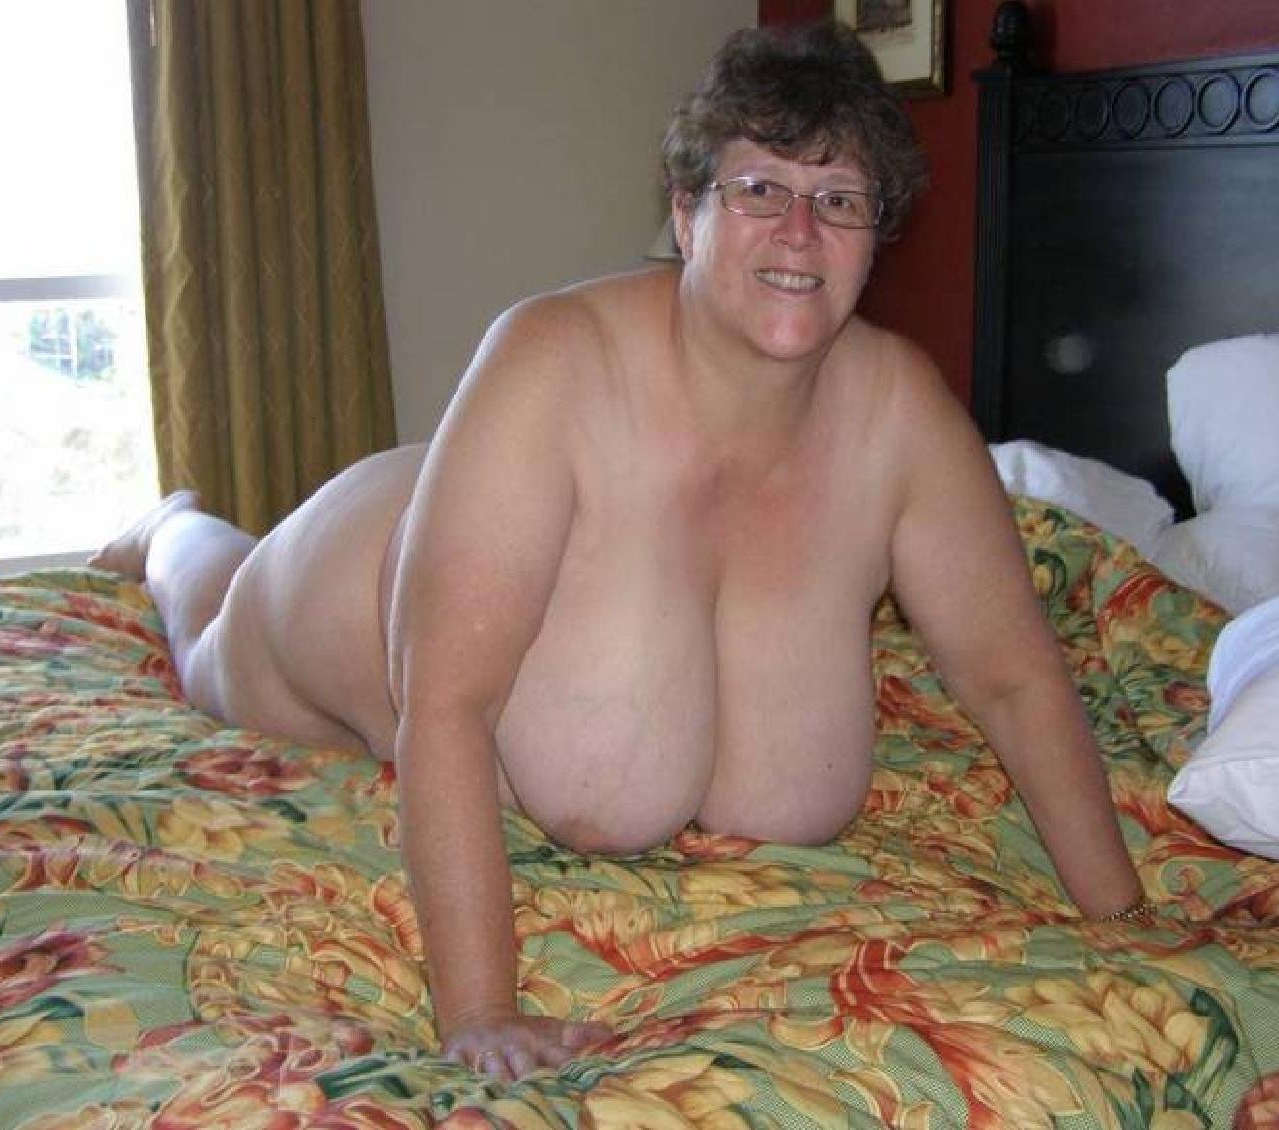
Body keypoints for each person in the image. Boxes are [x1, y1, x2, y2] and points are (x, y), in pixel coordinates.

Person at [93, 21, 1149, 1083]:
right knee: (206, 621)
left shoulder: (900, 416)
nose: (798, 231)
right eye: (758, 189)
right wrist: (480, 1010)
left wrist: (1122, 921)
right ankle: (169, 525)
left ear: (875, 234)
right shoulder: (551, 354)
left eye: (839, 199)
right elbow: (444, 704)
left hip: (512, 506)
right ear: (686, 214)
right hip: (345, 583)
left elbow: (1012, 678)